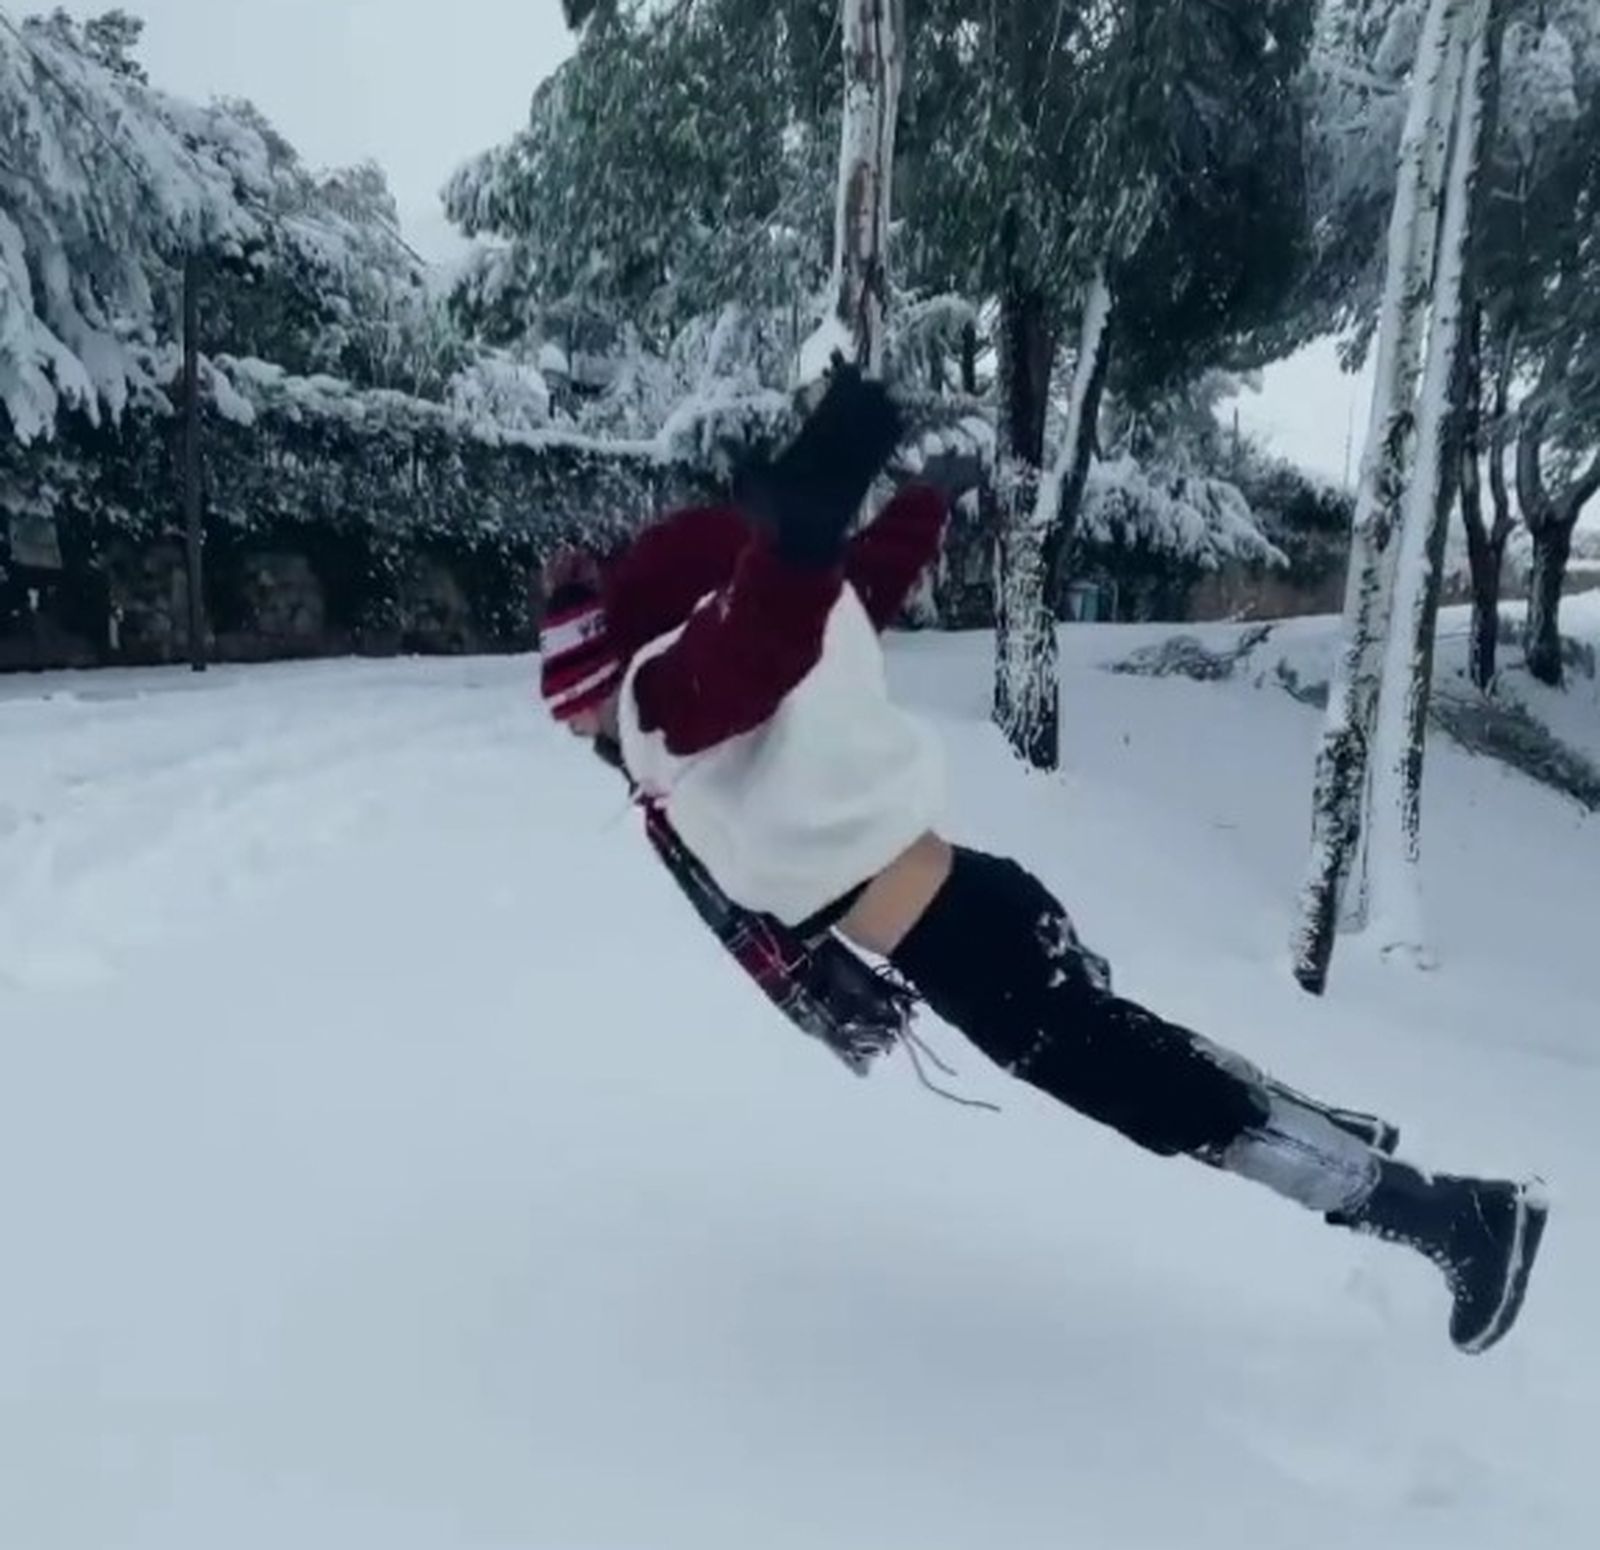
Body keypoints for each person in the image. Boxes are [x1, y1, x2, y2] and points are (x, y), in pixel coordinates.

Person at [537, 362, 1547, 1356]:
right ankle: (1354, 1150)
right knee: (1159, 1071)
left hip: (967, 941)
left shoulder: (666, 709)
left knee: (1167, 1099)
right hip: (977, 909)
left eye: (572, 695)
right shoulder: (773, 667)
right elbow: (846, 592)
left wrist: (802, 527)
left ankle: (1456, 1220)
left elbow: (752, 633)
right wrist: (918, 499)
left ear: (619, 657)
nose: (579, 725)